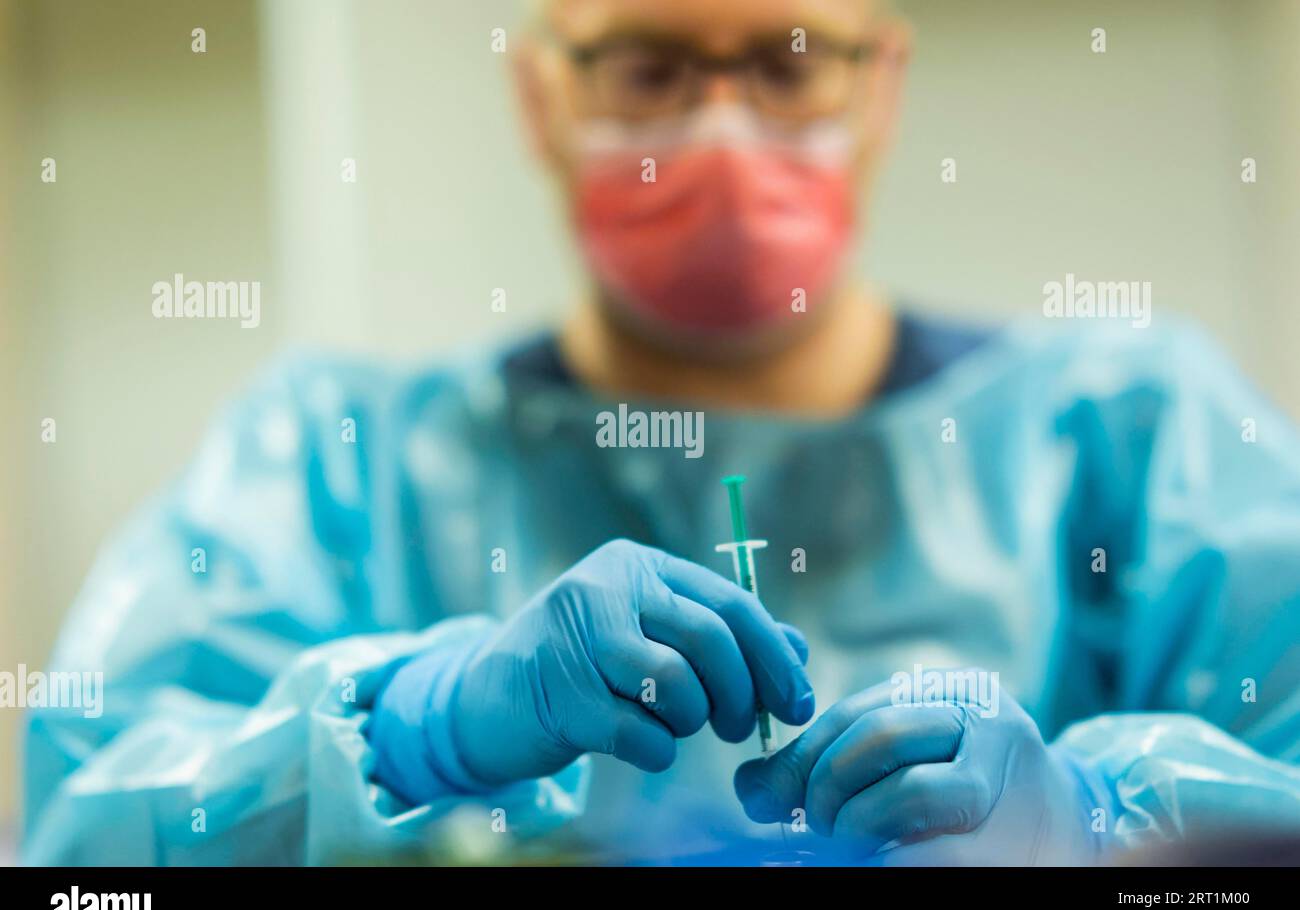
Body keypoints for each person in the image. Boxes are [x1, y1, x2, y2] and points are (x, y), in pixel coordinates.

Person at [24, 0, 1300, 865]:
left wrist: (1097, 835)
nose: (722, 131)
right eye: (647, 67)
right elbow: (82, 863)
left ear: (881, 87)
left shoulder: (1134, 440)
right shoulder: (330, 465)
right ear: (538, 97)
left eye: (788, 60)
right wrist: (416, 725)